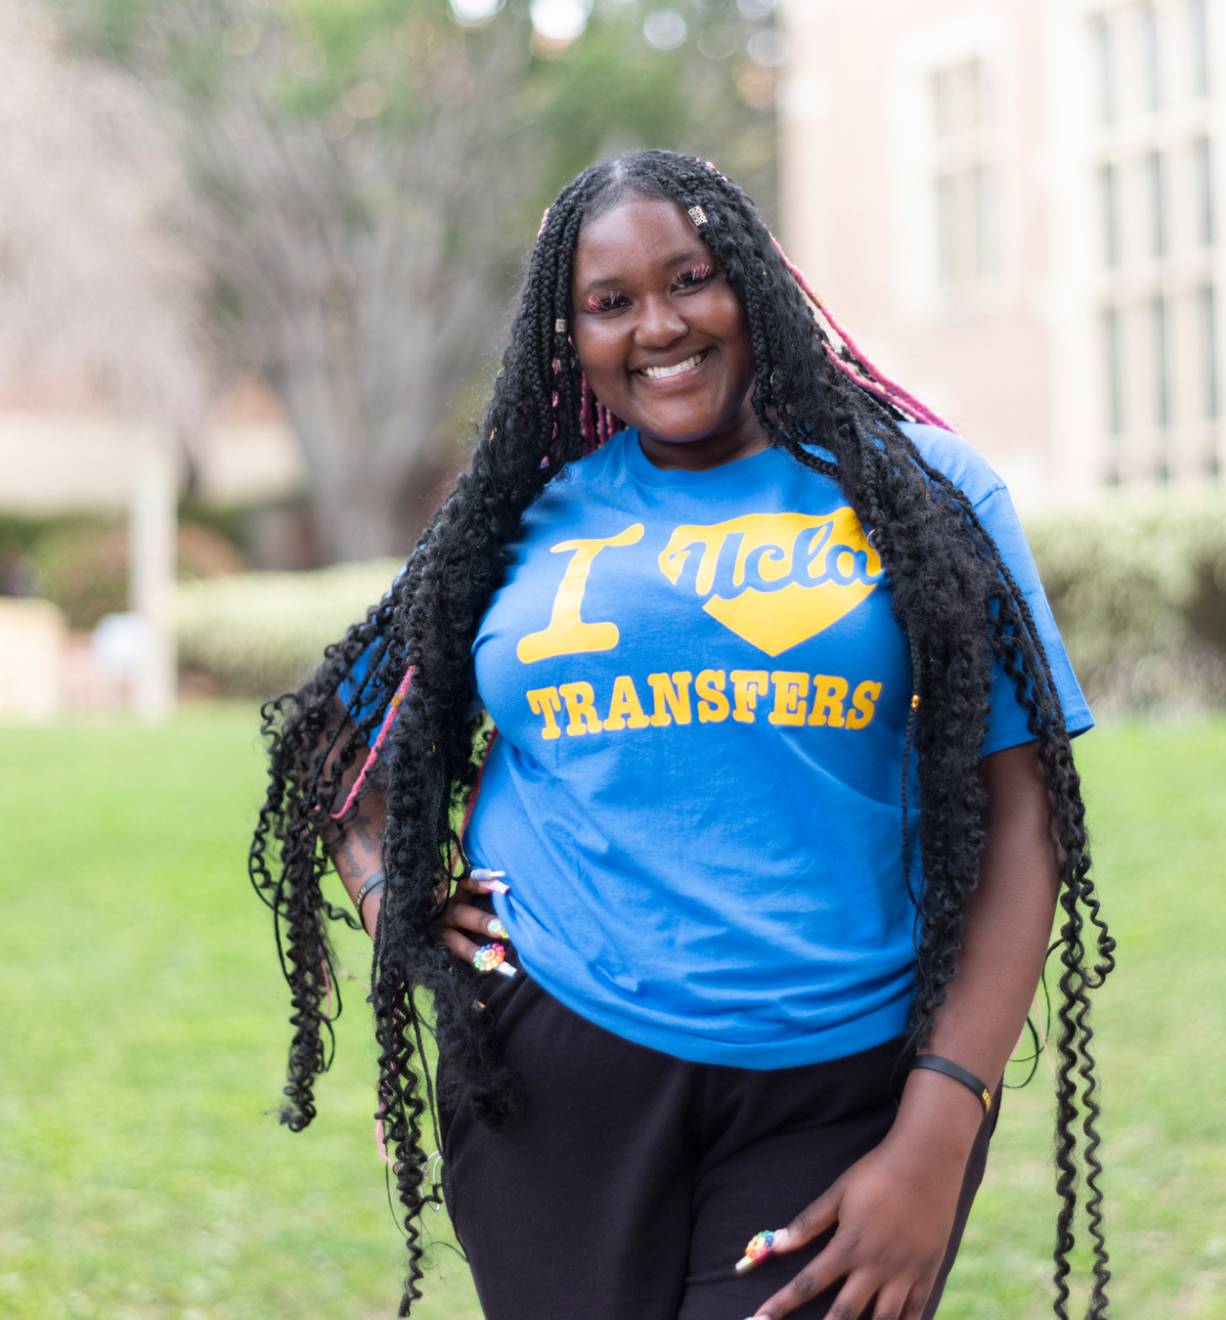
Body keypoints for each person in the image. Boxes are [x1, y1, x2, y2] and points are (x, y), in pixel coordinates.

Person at [249, 149, 1115, 1320]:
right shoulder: (522, 514)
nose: (658, 326)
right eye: (610, 302)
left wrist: (940, 1126)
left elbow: (1027, 811)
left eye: (691, 279)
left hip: (840, 1082)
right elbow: (332, 745)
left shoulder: (924, 488)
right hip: (550, 1075)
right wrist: (387, 897)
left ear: (755, 282)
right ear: (570, 336)